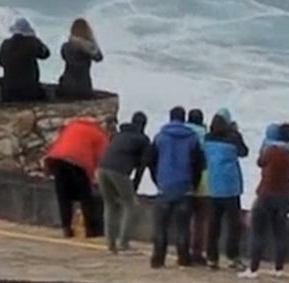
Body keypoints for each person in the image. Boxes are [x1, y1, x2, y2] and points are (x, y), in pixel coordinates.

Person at [240, 122, 289, 279]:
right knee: (280, 233)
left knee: (258, 232)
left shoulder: (271, 151)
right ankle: (279, 269)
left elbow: (260, 162)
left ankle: (253, 269)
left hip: (266, 193)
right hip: (284, 195)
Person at [148, 105, 205, 268]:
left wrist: (157, 180)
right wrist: (193, 184)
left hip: (164, 187)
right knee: (183, 228)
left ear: (170, 117)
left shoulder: (160, 137)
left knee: (160, 227)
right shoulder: (192, 138)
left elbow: (151, 161)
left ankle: (158, 259)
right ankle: (184, 259)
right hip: (185, 188)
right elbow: (199, 164)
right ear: (184, 118)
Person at [43, 116, 110, 239]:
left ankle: (66, 228)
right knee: (86, 198)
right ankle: (91, 230)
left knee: (63, 197)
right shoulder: (99, 134)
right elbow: (103, 159)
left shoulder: (71, 127)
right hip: (78, 163)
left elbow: (58, 144)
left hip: (57, 160)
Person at [96, 111, 152, 253]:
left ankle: (110, 244)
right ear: (143, 125)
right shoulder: (143, 139)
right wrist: (135, 185)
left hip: (101, 169)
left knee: (110, 205)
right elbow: (142, 166)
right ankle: (124, 244)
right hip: (119, 171)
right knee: (130, 205)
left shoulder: (118, 135)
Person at [204, 111, 248, 270]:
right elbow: (244, 152)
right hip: (230, 187)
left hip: (214, 185)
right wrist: (236, 132)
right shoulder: (233, 137)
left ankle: (211, 258)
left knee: (213, 224)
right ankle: (232, 256)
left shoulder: (207, 138)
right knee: (234, 224)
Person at [0, 17, 51, 103]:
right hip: (29, 91)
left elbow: (1, 62)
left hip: (8, 92)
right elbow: (46, 54)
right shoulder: (32, 43)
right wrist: (37, 40)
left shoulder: (5, 44)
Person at [186, 108, 211, 265]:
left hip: (183, 179)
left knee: (184, 218)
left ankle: (184, 249)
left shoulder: (183, 134)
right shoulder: (206, 137)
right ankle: (197, 252)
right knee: (200, 219)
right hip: (203, 181)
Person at [58, 18, 103, 98]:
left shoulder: (66, 46)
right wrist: (93, 40)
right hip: (83, 88)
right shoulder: (88, 47)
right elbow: (99, 58)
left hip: (66, 86)